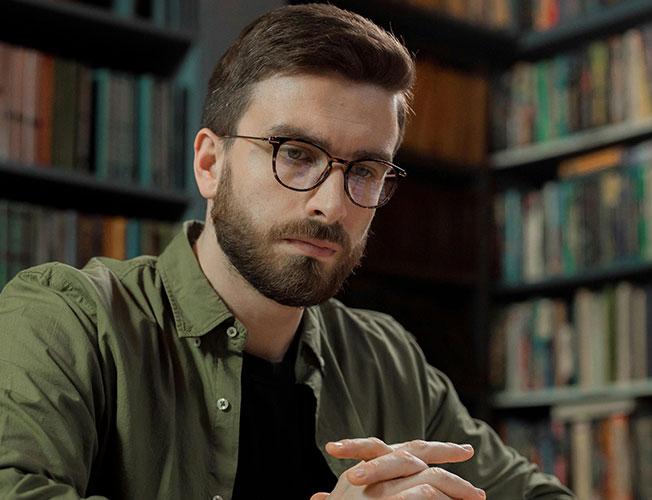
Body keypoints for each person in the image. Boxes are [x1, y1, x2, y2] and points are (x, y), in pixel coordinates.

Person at [0, 4, 576, 499]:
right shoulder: (65, 320)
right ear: (210, 164)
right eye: (296, 154)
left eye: (366, 170)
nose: (333, 204)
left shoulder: (386, 359)